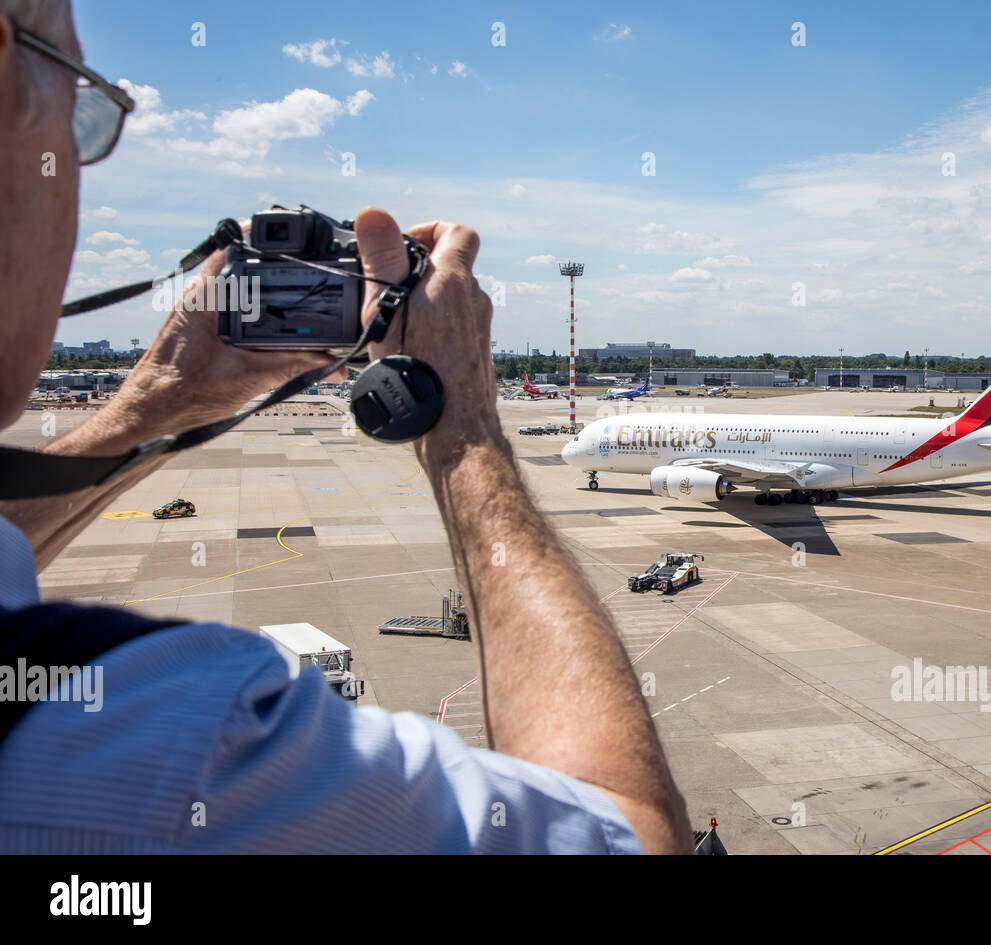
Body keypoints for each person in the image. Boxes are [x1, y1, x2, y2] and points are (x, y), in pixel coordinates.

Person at [0, 1, 690, 854]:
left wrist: (159, 405)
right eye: (83, 110)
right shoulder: (193, 745)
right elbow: (637, 832)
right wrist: (463, 421)